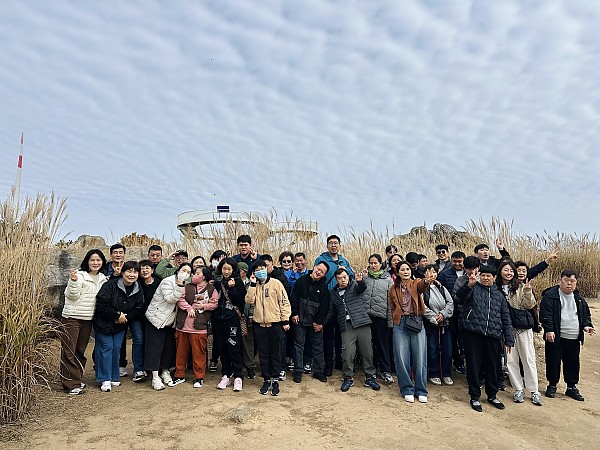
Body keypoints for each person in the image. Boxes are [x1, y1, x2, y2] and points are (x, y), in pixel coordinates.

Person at [455, 265, 514, 412]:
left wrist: (509, 339)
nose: (485, 278)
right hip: (473, 334)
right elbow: (459, 298)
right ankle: (474, 396)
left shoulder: (499, 295)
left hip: (493, 336)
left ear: (494, 278)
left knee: (493, 367)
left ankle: (492, 395)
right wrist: (469, 285)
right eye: (483, 275)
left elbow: (506, 317)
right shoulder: (472, 288)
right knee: (473, 367)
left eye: (489, 276)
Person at [540, 270, 595, 401]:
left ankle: (571, 387)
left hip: (574, 336)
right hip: (556, 336)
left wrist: (587, 326)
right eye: (566, 281)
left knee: (572, 363)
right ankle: (552, 385)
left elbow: (585, 315)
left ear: (576, 283)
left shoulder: (579, 298)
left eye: (572, 281)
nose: (569, 284)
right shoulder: (550, 296)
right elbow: (545, 314)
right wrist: (549, 329)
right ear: (560, 280)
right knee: (553, 361)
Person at [61, 249, 108, 395]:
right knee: (69, 351)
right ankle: (71, 384)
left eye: (98, 260)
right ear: (87, 261)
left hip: (88, 319)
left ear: (102, 262)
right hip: (72, 317)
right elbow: (71, 296)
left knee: (80, 350)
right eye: (92, 260)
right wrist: (73, 282)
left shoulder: (103, 279)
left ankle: (76, 379)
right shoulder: (80, 275)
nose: (95, 263)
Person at [495, 259, 541, 405]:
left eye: (511, 270)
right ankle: (518, 388)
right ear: (500, 271)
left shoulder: (520, 286)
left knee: (528, 358)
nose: (508, 273)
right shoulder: (495, 287)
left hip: (522, 328)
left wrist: (527, 291)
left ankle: (534, 390)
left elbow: (530, 305)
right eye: (505, 270)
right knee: (511, 360)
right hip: (506, 329)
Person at [93, 261, 144, 392]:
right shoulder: (111, 285)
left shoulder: (137, 288)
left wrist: (125, 317)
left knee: (116, 348)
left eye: (135, 272)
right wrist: (116, 315)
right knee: (106, 348)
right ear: (122, 272)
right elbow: (101, 304)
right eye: (129, 271)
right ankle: (104, 378)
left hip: (120, 325)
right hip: (104, 322)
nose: (132, 274)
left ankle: (114, 376)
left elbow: (138, 307)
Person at [389, 261, 435, 403]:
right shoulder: (393, 288)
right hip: (400, 323)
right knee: (401, 357)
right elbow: (392, 306)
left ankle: (421, 390)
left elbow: (422, 285)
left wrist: (427, 280)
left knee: (420, 357)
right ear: (398, 272)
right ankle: (407, 389)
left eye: (408, 269)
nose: (405, 272)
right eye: (402, 269)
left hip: (416, 321)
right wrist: (395, 318)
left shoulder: (415, 283)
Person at [328, 269, 380, 392]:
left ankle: (370, 376)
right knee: (347, 353)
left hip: (362, 322)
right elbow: (331, 311)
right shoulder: (334, 293)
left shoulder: (354, 286)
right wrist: (321, 323)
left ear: (348, 277)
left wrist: (360, 281)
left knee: (367, 351)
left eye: (344, 277)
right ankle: (348, 377)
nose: (343, 280)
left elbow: (362, 287)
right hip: (346, 325)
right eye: (340, 278)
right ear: (336, 280)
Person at [246, 260, 291, 396]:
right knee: (263, 354)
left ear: (266, 268)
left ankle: (275, 380)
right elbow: (249, 300)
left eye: (262, 268)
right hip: (260, 325)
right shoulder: (254, 285)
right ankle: (266, 380)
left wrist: (285, 320)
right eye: (257, 270)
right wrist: (252, 284)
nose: (260, 271)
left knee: (276, 353)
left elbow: (284, 302)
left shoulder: (276, 283)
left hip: (275, 324)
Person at [144, 263, 190, 390]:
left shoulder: (186, 284)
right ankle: (155, 377)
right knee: (155, 348)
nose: (185, 273)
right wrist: (179, 285)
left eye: (188, 272)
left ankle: (165, 371)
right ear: (178, 270)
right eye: (183, 270)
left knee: (168, 348)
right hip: (157, 319)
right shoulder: (167, 281)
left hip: (170, 322)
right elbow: (171, 299)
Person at [171, 266, 218, 388]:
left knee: (199, 354)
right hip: (182, 326)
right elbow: (180, 299)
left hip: (199, 327)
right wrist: (189, 308)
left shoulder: (211, 289)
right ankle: (179, 375)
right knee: (180, 353)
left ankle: (199, 377)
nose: (194, 275)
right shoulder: (187, 286)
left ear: (204, 276)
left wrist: (204, 306)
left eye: (197, 273)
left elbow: (214, 304)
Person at [315, 235, 354, 376]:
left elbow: (352, 277)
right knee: (328, 334)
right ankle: (328, 364)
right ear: (327, 246)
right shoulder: (321, 260)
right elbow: (317, 276)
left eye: (336, 243)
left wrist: (345, 269)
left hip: (341, 301)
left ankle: (339, 361)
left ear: (339, 245)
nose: (333, 245)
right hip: (327, 300)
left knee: (340, 333)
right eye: (330, 243)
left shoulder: (344, 261)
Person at [290, 261, 331, 383]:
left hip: (314, 322)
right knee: (298, 345)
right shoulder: (301, 281)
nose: (319, 272)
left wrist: (319, 322)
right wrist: (294, 313)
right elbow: (294, 298)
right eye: (318, 269)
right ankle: (298, 370)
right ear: (314, 267)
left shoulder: (323, 287)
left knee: (318, 347)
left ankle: (318, 371)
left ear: (324, 275)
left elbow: (324, 307)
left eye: (322, 272)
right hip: (300, 319)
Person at [213, 257, 247, 392]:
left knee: (234, 348)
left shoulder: (238, 282)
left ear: (234, 270)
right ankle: (226, 375)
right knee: (222, 348)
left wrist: (232, 288)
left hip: (232, 320)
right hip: (218, 320)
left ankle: (238, 376)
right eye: (224, 269)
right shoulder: (218, 282)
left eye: (229, 269)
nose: (226, 271)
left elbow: (239, 301)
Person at [362, 253, 394, 384]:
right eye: (371, 263)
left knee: (382, 344)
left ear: (381, 264)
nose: (373, 265)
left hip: (380, 317)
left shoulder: (388, 280)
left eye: (375, 263)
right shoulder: (365, 278)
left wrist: (390, 321)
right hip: (366, 317)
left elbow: (391, 302)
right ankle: (370, 370)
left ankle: (385, 370)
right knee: (368, 345)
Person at [423, 265, 454, 386]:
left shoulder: (441, 287)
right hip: (431, 323)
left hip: (445, 323)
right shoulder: (422, 287)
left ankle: (446, 373)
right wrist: (434, 317)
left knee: (447, 349)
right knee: (433, 349)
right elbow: (422, 305)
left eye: (434, 272)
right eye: (429, 272)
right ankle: (434, 373)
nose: (432, 274)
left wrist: (443, 314)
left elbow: (450, 302)